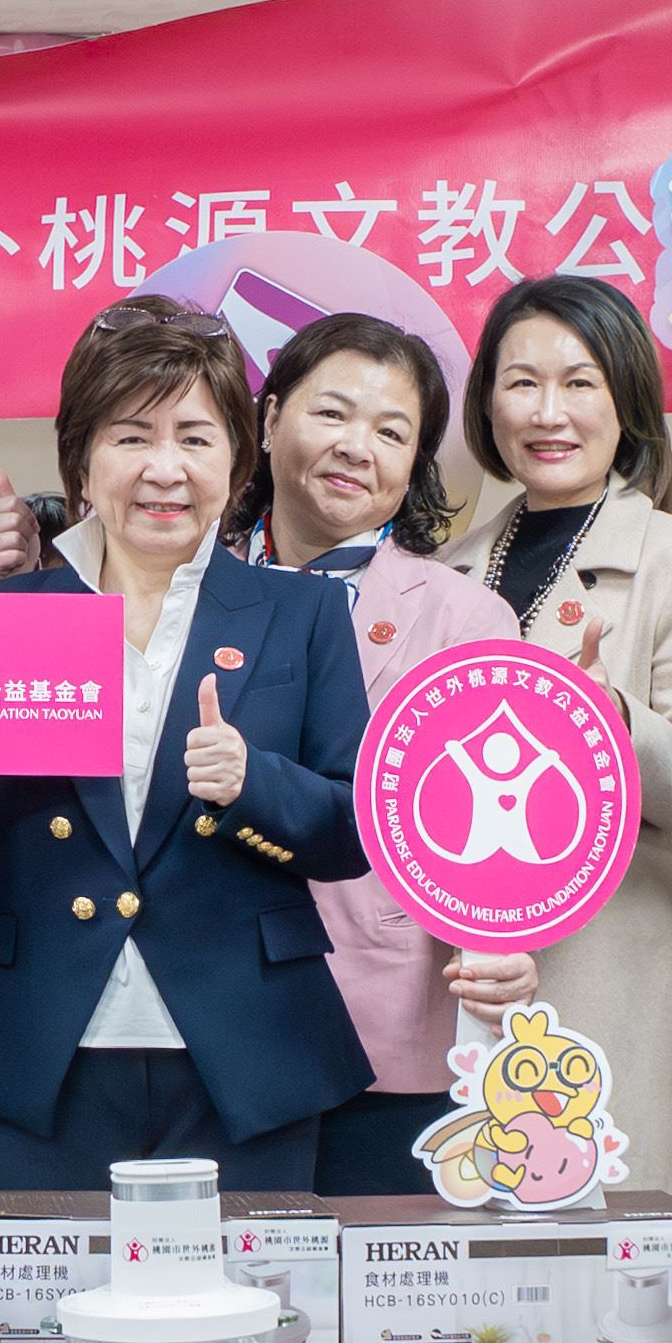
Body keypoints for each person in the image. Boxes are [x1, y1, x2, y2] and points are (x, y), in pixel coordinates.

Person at [0, 297, 371, 1186]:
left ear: (238, 460)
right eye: (131, 437)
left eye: (195, 437)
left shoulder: (304, 612)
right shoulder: (1, 617)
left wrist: (252, 781)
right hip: (41, 1037)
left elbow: (352, 833)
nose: (165, 468)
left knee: (249, 1279)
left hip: (251, 1045)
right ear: (81, 458)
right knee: (47, 1282)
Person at [216, 312, 544, 1194]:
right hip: (203, 1016)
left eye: (392, 433)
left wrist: (505, 943)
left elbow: (497, 825)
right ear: (269, 418)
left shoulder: (465, 617)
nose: (356, 448)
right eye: (331, 413)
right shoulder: (185, 584)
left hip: (380, 1017)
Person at [438, 276, 672, 1205]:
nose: (548, 412)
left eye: (579, 383)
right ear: (486, 401)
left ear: (626, 401)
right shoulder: (445, 569)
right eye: (520, 382)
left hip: (610, 994)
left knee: (612, 1269)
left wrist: (607, 713)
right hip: (456, 993)